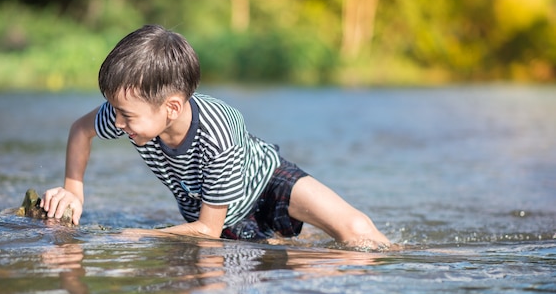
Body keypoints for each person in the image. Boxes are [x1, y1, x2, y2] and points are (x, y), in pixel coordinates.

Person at [41, 24, 390, 249]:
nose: (117, 123)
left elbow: (206, 230)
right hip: (218, 216)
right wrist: (74, 189)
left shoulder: (218, 134)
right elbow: (81, 130)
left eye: (126, 116)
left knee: (358, 231)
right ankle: (285, 245)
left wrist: (137, 236)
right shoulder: (130, 114)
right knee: (255, 270)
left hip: (266, 183)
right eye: (114, 111)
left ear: (172, 108)